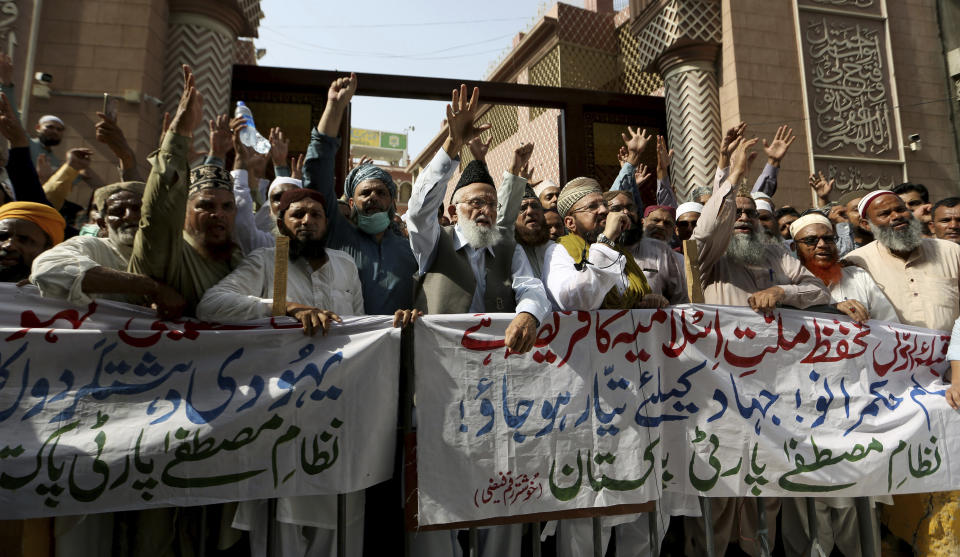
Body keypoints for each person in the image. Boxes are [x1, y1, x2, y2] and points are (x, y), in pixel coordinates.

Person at [405, 84, 551, 557]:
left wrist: (529, 315)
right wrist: (451, 146)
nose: (484, 209)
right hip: (440, 388)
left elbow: (533, 290)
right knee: (440, 494)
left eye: (490, 201)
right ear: (454, 210)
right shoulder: (434, 242)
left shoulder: (507, 248)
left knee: (501, 488)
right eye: (474, 203)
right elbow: (416, 211)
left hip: (500, 394)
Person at [687, 132, 834, 557]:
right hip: (718, 389)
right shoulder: (709, 257)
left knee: (766, 488)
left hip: (772, 388)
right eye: (737, 211)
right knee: (718, 487)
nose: (744, 218)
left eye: (751, 213)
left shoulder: (775, 255)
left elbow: (818, 290)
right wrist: (733, 174)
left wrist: (783, 294)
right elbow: (709, 225)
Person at [843, 189, 960, 555]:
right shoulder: (855, 263)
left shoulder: (951, 253)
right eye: (884, 214)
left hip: (953, 379)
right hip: (893, 390)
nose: (896, 217)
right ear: (865, 224)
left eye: (900, 209)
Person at [127, 66, 242, 318]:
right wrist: (179, 136)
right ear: (184, 208)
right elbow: (159, 211)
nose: (218, 215)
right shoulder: (168, 252)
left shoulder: (240, 259)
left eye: (227, 207)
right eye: (206, 206)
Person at [303, 73, 421, 316]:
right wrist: (335, 108)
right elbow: (316, 176)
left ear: (391, 202)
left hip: (400, 349)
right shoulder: (338, 235)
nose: (373, 198)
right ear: (351, 202)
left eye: (381, 192)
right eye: (365, 193)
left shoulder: (410, 250)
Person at [30, 181, 186, 317]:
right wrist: (152, 288)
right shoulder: (92, 246)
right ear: (103, 225)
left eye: (138, 209)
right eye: (117, 212)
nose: (129, 216)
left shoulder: (179, 251)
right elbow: (48, 268)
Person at [543, 177, 667, 312]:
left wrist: (647, 300)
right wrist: (607, 240)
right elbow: (578, 302)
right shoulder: (558, 251)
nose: (604, 210)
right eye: (592, 206)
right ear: (570, 223)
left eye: (604, 204)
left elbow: (627, 298)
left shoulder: (618, 251)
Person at [0, 201, 65, 282]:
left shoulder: (61, 291)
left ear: (49, 249)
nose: (8, 246)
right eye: (2, 237)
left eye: (24, 240)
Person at [513, 185, 551, 277]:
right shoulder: (509, 251)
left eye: (535, 206)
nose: (530, 211)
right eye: (522, 208)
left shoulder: (554, 248)